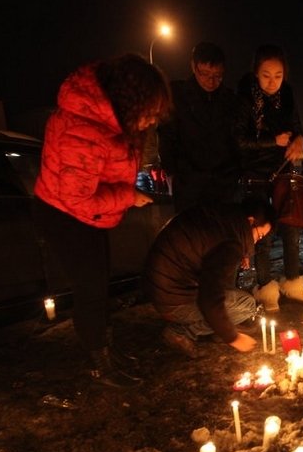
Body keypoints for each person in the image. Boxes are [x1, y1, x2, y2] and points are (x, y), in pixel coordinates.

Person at [34, 54, 170, 389]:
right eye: (149, 111)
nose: (151, 120)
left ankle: (106, 351)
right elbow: (77, 196)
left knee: (99, 284)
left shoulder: (110, 121)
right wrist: (127, 196)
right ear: (129, 100)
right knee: (90, 287)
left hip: (86, 213)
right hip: (65, 215)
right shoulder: (83, 129)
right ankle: (99, 363)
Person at [235, 45, 303, 311]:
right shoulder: (245, 96)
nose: (272, 82)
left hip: (283, 173)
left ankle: (293, 282)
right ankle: (266, 289)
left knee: (292, 229)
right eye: (266, 75)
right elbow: (238, 139)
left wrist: (300, 140)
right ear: (256, 73)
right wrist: (273, 141)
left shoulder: (288, 95)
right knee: (264, 235)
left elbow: (298, 128)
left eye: (278, 75)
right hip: (256, 175)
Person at [143, 196, 274, 357]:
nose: (255, 242)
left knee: (228, 296)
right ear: (251, 221)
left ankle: (217, 326)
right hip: (173, 301)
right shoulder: (230, 243)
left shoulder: (222, 217)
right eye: (259, 236)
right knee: (247, 305)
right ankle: (182, 332)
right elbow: (210, 297)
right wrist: (233, 337)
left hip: (159, 286)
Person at [157, 42, 241, 213]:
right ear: (193, 67)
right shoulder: (177, 94)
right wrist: (171, 173)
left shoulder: (230, 99)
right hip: (188, 184)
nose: (211, 81)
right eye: (205, 74)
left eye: (218, 75)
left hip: (223, 184)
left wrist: (233, 174)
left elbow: (235, 140)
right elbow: (166, 136)